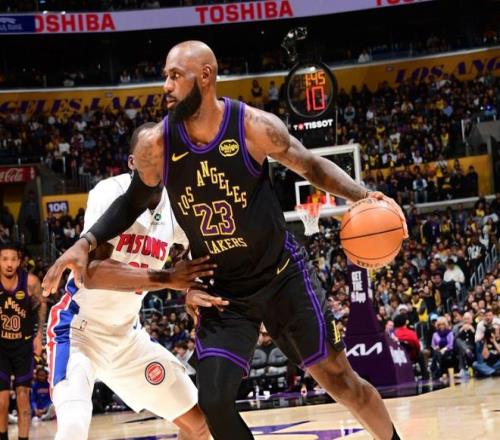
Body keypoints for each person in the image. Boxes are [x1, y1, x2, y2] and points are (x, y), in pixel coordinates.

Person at [42, 41, 408, 440]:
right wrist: (87, 240)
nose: (165, 85)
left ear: (205, 76)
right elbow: (132, 201)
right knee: (213, 402)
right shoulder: (156, 144)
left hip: (281, 275)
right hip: (225, 291)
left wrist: (363, 195)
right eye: (165, 76)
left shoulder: (253, 126)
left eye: (175, 76)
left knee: (341, 381)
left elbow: (310, 165)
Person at [44, 124, 226, 440]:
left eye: (163, 153)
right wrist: (168, 278)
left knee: (201, 425)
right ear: (132, 162)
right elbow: (92, 273)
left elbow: (202, 253)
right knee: (73, 427)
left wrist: (193, 287)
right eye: (148, 154)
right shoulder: (109, 192)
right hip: (78, 332)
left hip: (126, 338)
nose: (157, 160)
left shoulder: (176, 204)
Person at [0, 243, 46, 440]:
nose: (9, 264)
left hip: (23, 346)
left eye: (13, 259)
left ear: (19, 261)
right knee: (1, 401)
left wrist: (39, 335)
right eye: (4, 259)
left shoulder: (31, 282)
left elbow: (42, 303)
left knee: (23, 400)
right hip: (1, 347)